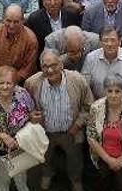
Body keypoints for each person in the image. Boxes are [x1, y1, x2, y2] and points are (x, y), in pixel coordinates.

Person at [25, 49, 93, 191]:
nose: (50, 70)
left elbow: (88, 107)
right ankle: (48, 174)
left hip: (72, 131)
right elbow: (26, 107)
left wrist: (77, 126)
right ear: (40, 67)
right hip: (45, 132)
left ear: (61, 64)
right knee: (45, 157)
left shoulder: (77, 80)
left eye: (54, 65)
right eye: (45, 66)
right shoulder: (31, 83)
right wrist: (32, 116)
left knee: (75, 160)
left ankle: (75, 180)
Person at [0, 65, 35, 191]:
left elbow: (32, 115)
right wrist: (2, 136)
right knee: (2, 180)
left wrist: (22, 136)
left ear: (14, 83)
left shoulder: (23, 94)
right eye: (1, 83)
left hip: (19, 146)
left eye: (9, 83)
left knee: (21, 179)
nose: (5, 86)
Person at [85, 74, 122, 191]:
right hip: (102, 157)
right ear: (104, 91)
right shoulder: (96, 107)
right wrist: (108, 159)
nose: (113, 95)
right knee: (103, 184)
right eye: (109, 91)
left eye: (117, 91)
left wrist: (120, 160)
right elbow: (91, 136)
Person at [82, 26, 122, 99]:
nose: (109, 44)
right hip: (96, 104)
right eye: (105, 40)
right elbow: (86, 87)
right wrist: (96, 106)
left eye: (113, 40)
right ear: (100, 42)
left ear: (120, 41)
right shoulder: (90, 58)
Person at [0, 4, 38, 82]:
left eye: (16, 22)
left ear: (23, 21)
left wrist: (11, 81)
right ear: (3, 19)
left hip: (21, 81)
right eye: (8, 21)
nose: (11, 26)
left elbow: (27, 67)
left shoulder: (31, 39)